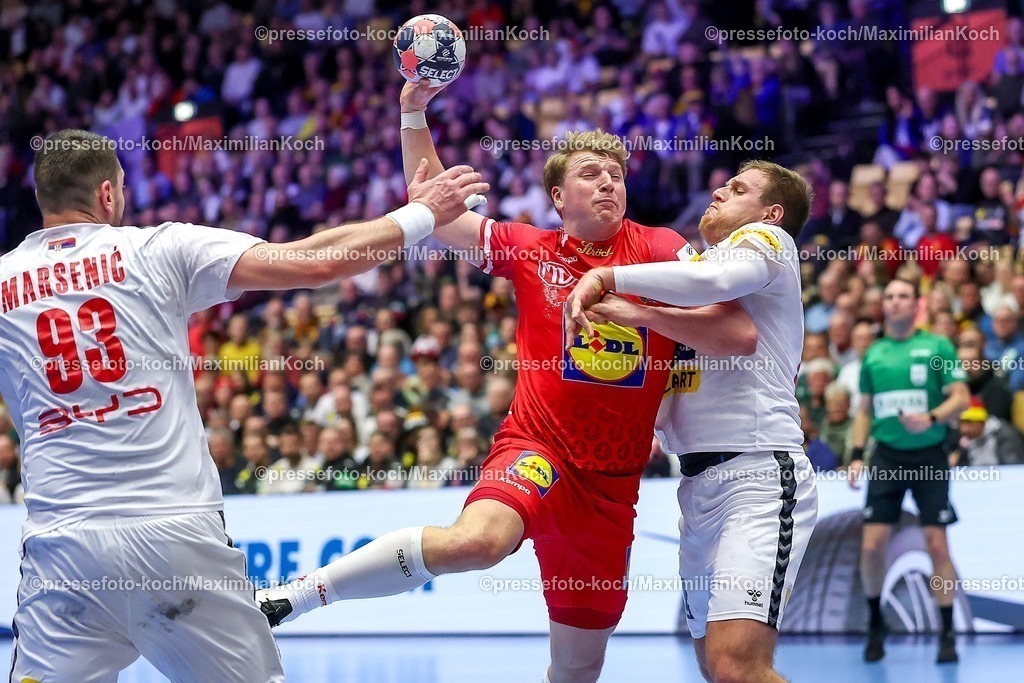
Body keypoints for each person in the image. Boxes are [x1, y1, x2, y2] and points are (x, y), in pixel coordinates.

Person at [256, 81, 759, 683]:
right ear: (556, 196)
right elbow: (437, 211)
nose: (609, 183)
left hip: (612, 486)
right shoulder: (531, 249)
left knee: (576, 672)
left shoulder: (661, 248)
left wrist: (639, 310)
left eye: (616, 175)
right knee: (480, 542)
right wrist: (412, 110)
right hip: (538, 450)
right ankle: (293, 597)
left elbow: (735, 334)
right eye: (592, 174)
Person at [0, 128, 487, 683]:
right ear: (109, 195)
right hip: (174, 537)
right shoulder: (157, 248)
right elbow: (312, 262)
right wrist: (420, 215)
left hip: (61, 552)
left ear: (43, 200)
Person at [565, 160, 819, 683]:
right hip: (697, 484)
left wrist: (608, 275)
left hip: (760, 474)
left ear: (771, 211)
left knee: (737, 665)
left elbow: (718, 278)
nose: (720, 189)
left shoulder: (768, 241)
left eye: (738, 188)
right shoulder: (694, 287)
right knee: (713, 667)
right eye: (724, 183)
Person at [847, 278, 970, 664]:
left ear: (916, 305)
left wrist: (932, 417)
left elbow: (962, 399)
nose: (895, 301)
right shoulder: (875, 354)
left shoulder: (937, 347)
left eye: (903, 296)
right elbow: (864, 409)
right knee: (871, 545)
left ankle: (947, 631)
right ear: (882, 305)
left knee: (936, 543)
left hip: (928, 455)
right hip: (885, 458)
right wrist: (854, 453)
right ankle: (874, 623)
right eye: (889, 296)